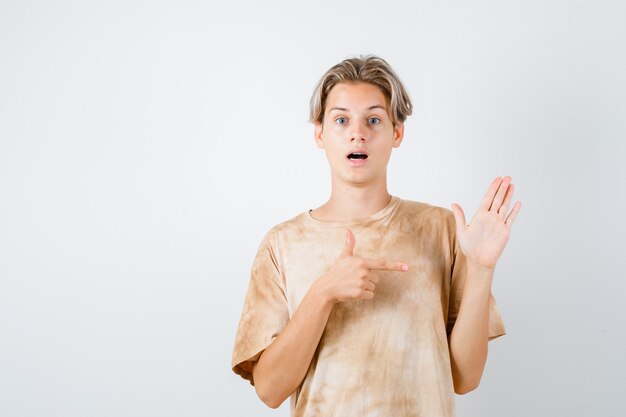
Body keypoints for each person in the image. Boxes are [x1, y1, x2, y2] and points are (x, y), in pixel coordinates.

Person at [231, 54, 521, 417]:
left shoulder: (441, 230)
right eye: (341, 120)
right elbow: (270, 390)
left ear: (396, 132)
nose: (358, 133)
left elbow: (465, 378)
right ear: (319, 133)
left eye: (373, 119)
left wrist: (480, 268)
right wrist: (323, 294)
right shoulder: (282, 244)